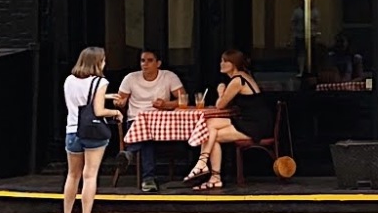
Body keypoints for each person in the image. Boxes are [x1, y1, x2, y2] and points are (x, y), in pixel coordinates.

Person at [186, 50, 274, 192]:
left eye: (225, 61)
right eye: (222, 60)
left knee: (211, 136)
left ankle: (210, 172)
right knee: (210, 124)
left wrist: (221, 91)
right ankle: (206, 168)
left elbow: (220, 105)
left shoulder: (237, 80)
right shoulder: (242, 76)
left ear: (234, 64)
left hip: (255, 125)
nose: (221, 64)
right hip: (249, 120)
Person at [55, 47, 121, 213]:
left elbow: (80, 98)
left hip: (72, 131)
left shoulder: (69, 80)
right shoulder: (100, 82)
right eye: (103, 60)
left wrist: (105, 96)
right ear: (98, 62)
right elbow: (99, 111)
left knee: (72, 175)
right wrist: (115, 112)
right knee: (90, 175)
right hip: (92, 133)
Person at [113, 49, 186, 193]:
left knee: (147, 136)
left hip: (162, 123)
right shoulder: (131, 78)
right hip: (136, 121)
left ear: (158, 63)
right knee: (147, 139)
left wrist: (165, 104)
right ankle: (148, 179)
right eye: (142, 60)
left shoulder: (168, 76)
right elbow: (120, 100)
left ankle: (129, 153)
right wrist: (119, 103)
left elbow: (183, 99)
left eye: (150, 60)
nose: (145, 64)